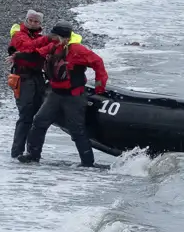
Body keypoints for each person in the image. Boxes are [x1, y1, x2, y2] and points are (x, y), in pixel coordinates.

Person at [20, 24, 108, 167]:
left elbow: (98, 62)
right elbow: (37, 54)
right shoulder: (54, 47)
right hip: (55, 94)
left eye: (55, 36)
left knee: (77, 130)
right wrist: (17, 56)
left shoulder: (78, 50)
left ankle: (87, 163)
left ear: (65, 38)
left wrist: (100, 87)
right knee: (39, 122)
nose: (52, 38)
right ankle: (33, 155)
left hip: (74, 97)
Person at [7, 9, 57, 159]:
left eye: (37, 22)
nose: (34, 24)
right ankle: (16, 152)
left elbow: (39, 51)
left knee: (38, 116)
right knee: (25, 115)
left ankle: (32, 152)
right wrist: (47, 41)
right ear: (26, 20)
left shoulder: (40, 37)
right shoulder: (18, 35)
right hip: (23, 78)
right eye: (31, 21)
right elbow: (27, 47)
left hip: (37, 78)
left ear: (41, 23)